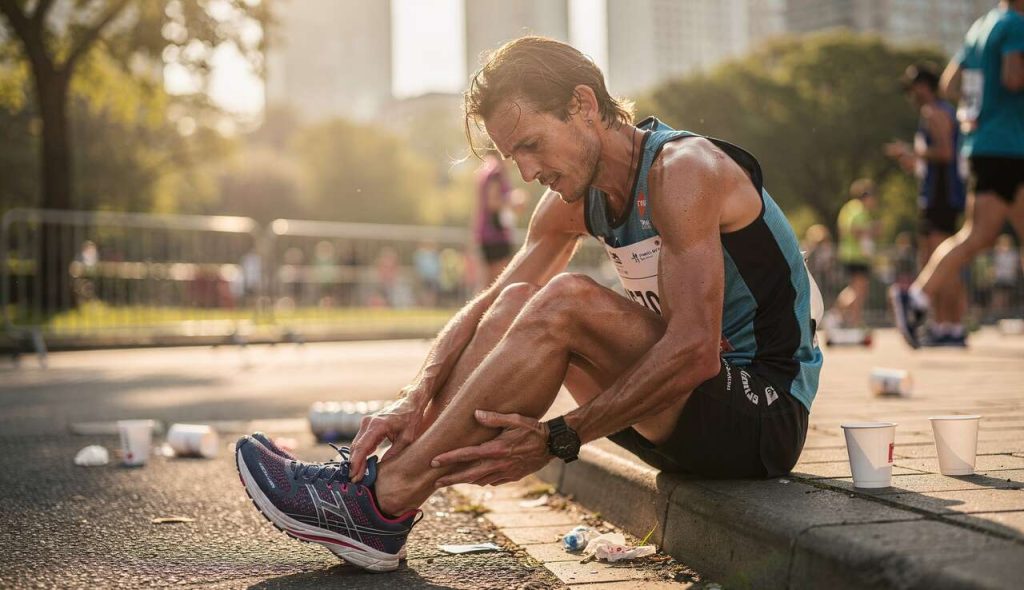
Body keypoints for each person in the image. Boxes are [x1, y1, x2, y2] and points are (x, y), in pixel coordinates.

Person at [234, 36, 823, 572]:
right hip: (681, 416)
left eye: (533, 145)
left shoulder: (684, 171)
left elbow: (694, 351)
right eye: (514, 155)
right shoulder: (579, 194)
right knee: (519, 296)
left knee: (567, 300)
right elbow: (492, 302)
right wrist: (413, 394)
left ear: (584, 105)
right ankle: (378, 505)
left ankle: (383, 497)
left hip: (762, 416)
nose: (527, 171)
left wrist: (557, 439)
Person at [891, 0, 1024, 348]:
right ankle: (921, 301)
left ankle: (917, 297)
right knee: (975, 235)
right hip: (1011, 145)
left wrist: (974, 112)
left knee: (977, 235)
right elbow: (1013, 78)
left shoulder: (980, 27)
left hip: (986, 145)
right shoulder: (1016, 25)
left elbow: (950, 84)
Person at [885, 62, 969, 345]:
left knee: (941, 261)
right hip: (936, 196)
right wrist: (914, 159)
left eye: (913, 88)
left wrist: (916, 153)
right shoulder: (937, 112)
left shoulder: (934, 112)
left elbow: (945, 153)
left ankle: (952, 328)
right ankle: (944, 326)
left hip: (942, 198)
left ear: (924, 86)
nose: (911, 94)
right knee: (934, 260)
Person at [827, 179, 878, 335]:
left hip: (857, 255)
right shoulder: (856, 209)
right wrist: (872, 230)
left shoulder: (854, 209)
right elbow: (853, 230)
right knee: (858, 289)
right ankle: (844, 317)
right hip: (854, 255)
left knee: (857, 289)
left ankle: (844, 317)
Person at [475, 154, 526, 284]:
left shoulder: (487, 169)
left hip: (487, 234)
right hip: (495, 235)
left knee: (488, 282)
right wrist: (513, 200)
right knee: (497, 282)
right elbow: (492, 203)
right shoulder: (496, 173)